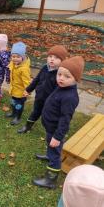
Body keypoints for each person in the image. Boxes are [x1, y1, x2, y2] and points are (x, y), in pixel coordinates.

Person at [33, 56, 85, 189]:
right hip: (50, 127)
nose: (61, 78)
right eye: (59, 74)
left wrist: (58, 136)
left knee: (55, 153)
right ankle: (49, 155)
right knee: (50, 145)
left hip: (56, 130)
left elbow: (65, 120)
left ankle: (51, 180)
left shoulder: (69, 97)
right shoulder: (62, 87)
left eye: (67, 76)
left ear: (76, 79)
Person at [17, 45, 68, 134]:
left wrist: (55, 101)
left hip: (51, 101)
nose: (52, 59)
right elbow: (36, 80)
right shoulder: (45, 68)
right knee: (35, 112)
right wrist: (28, 90)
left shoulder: (60, 74)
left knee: (48, 116)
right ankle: (27, 126)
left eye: (56, 58)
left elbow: (59, 90)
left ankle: (52, 132)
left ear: (62, 61)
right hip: (39, 97)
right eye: (50, 57)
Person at [5, 41, 31, 125]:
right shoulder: (13, 63)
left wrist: (27, 91)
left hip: (21, 92)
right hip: (14, 89)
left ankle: (17, 117)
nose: (15, 58)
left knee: (18, 105)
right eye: (13, 56)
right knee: (13, 102)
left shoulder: (24, 69)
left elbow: (27, 81)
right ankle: (13, 113)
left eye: (18, 57)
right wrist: (8, 78)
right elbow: (9, 69)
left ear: (23, 57)